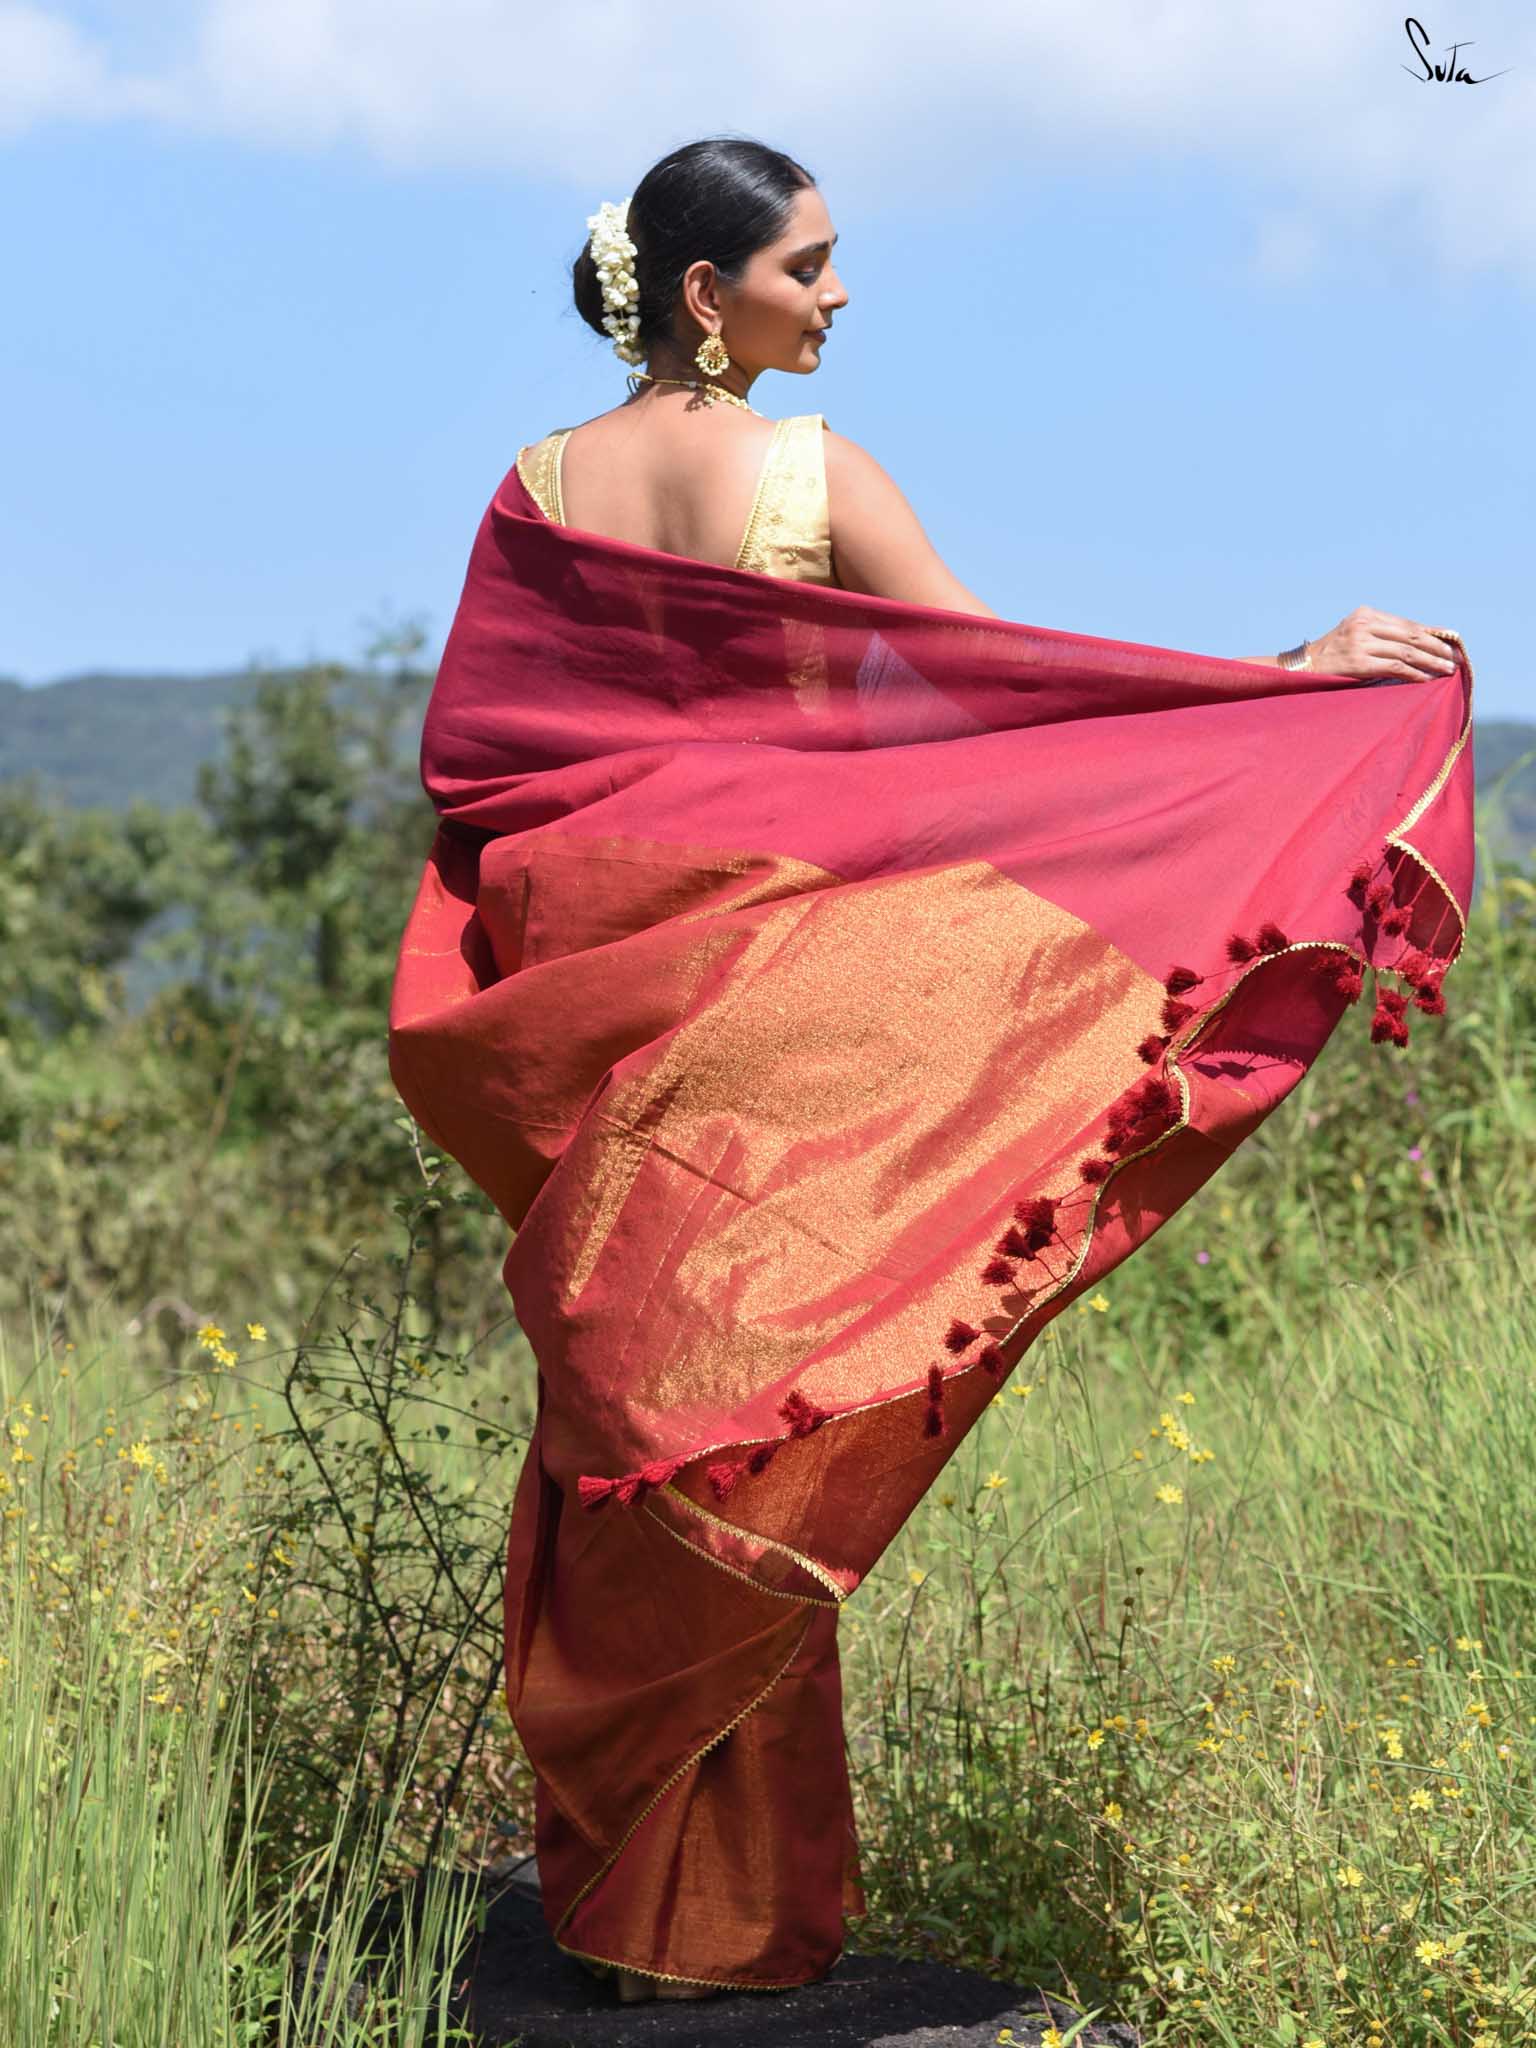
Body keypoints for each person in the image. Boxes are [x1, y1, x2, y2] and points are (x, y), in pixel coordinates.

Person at [387, 137, 1474, 2007]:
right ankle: (710, 1936)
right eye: (806, 266)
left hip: (626, 1041)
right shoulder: (812, 478)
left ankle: (656, 1933)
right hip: (777, 1026)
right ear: (705, 293)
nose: (837, 296)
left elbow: (492, 777)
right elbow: (1005, 707)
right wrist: (1292, 677)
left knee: (648, 1432)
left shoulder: (535, 493)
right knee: (754, 1425)